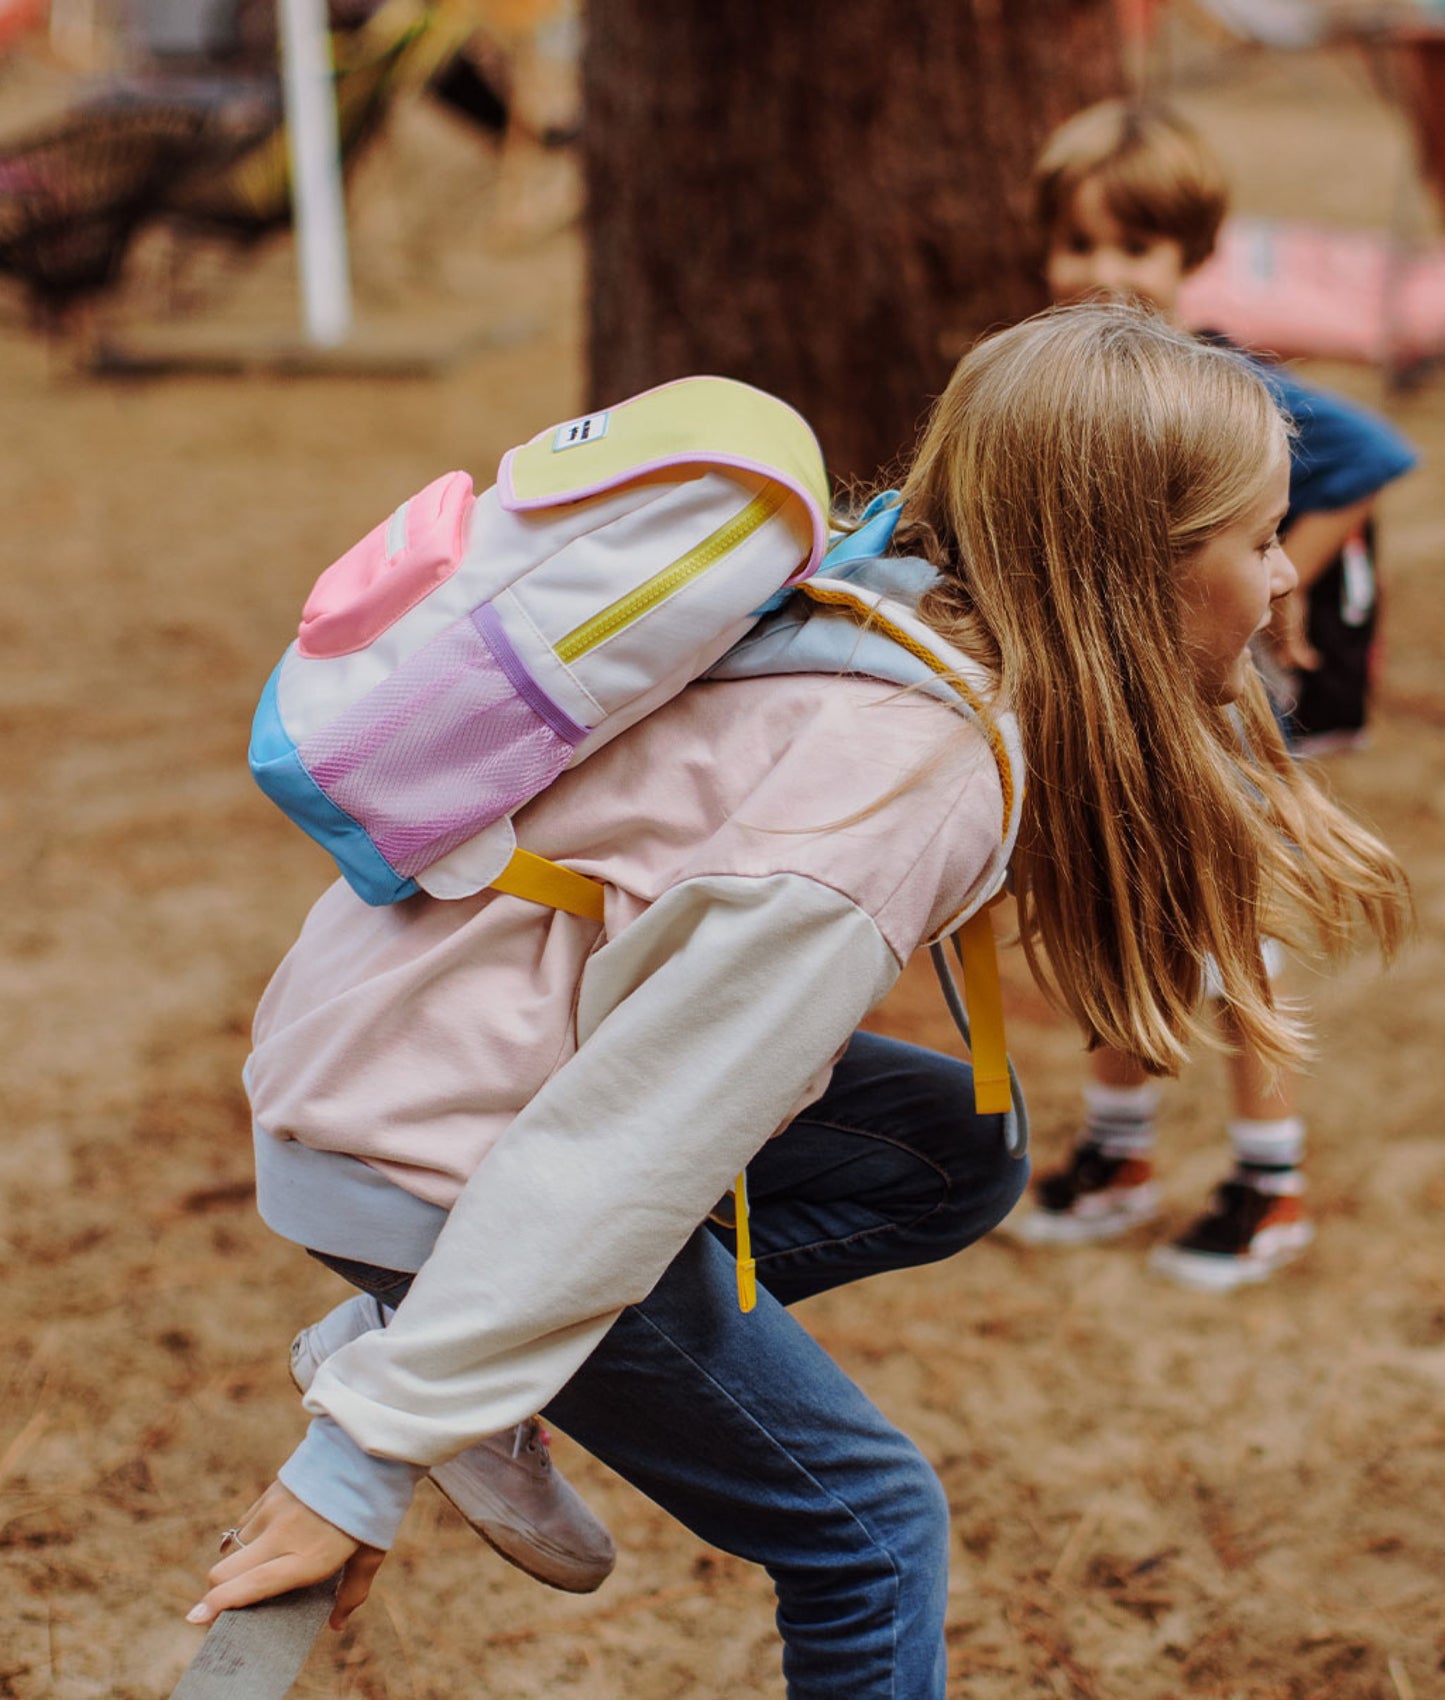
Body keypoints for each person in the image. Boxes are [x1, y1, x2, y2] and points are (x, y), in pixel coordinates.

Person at [186, 303, 1408, 1695]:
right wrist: (362, 1458)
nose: (1280, 581)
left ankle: (446, 1343)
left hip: (424, 1034)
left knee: (951, 1146)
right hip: (431, 1135)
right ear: (1131, 573)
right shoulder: (905, 787)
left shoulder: (904, 597)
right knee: (873, 1539)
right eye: (1256, 542)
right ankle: (451, 1344)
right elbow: (629, 1137)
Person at [1010, 99, 1418, 1289]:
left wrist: (1276, 568)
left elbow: (1376, 454)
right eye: (1078, 242)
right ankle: (1118, 1154)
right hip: (1131, 705)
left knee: (1230, 936)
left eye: (1133, 248)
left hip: (1227, 707)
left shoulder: (1218, 383)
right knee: (1112, 912)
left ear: (1188, 256)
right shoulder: (1076, 382)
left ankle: (1266, 1177)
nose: (1102, 271)